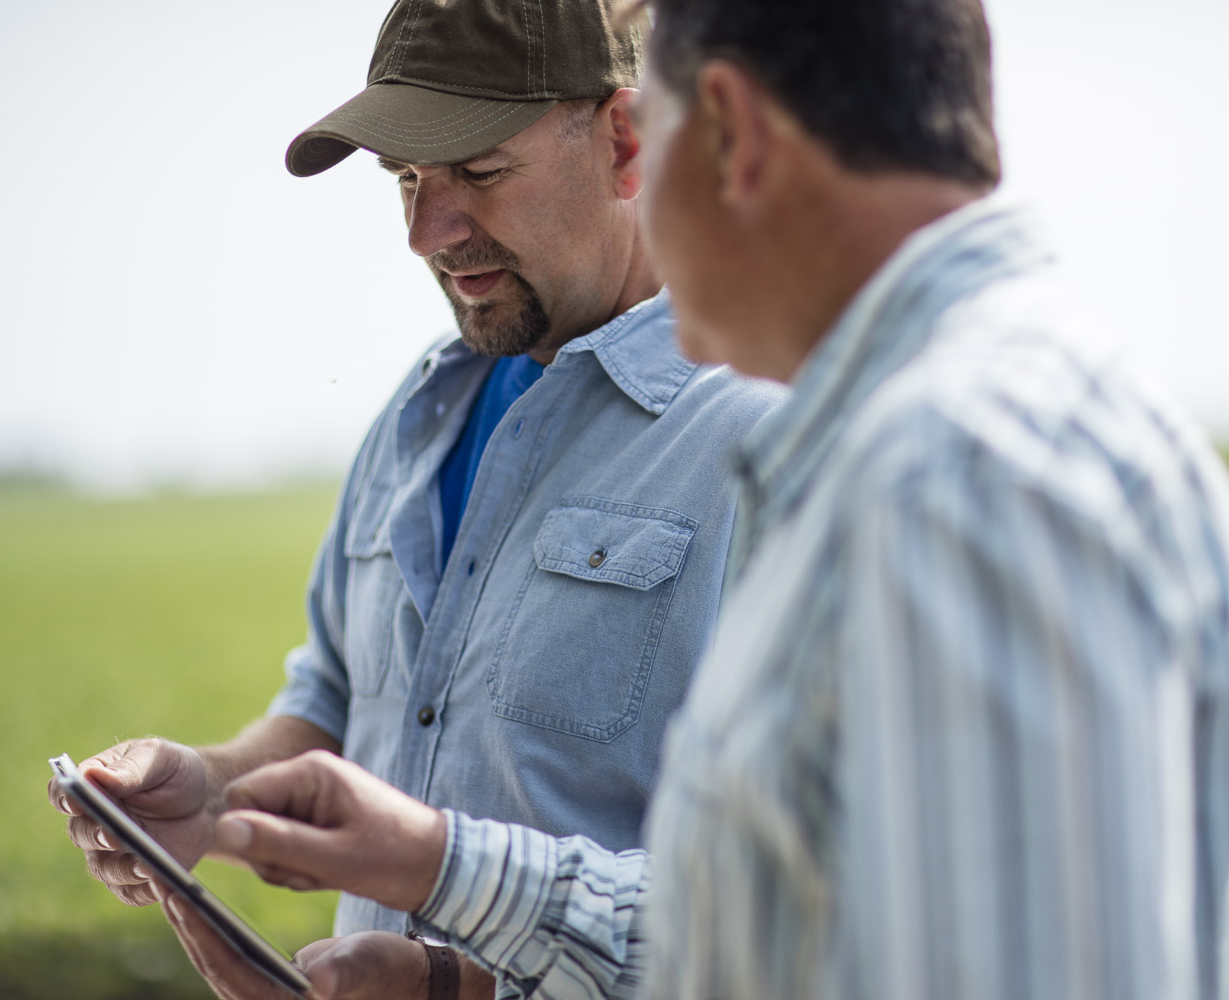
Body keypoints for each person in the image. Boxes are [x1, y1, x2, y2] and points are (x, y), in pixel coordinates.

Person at [148, 0, 1229, 999]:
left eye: (647, 142)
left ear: (714, 131)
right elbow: (808, 934)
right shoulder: (972, 431)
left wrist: (446, 876)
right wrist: (454, 981)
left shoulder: (957, 469)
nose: (431, 228)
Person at [48, 0, 780, 996]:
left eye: (478, 170)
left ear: (626, 141)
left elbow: (798, 903)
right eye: (406, 179)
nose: (427, 231)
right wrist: (211, 786)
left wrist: (458, 987)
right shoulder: (423, 407)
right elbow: (340, 697)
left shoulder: (769, 438)